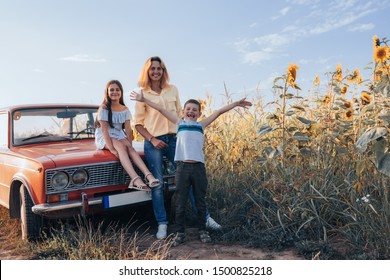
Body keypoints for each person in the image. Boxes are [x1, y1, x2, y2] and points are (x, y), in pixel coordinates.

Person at [131, 90, 252, 246]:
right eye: (188, 109)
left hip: (198, 168)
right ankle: (180, 233)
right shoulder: (179, 123)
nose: (191, 112)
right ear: (182, 112)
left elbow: (219, 111)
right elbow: (161, 109)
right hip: (182, 168)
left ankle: (203, 230)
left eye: (195, 110)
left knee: (200, 201)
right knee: (180, 201)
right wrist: (143, 99)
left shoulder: (201, 125)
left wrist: (235, 104)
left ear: (199, 114)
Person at [133, 56, 221, 240]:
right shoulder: (142, 94)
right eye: (153, 68)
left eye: (160, 68)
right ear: (147, 71)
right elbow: (139, 125)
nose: (156, 71)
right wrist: (152, 139)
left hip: (175, 140)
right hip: (154, 142)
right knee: (157, 183)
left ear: (163, 71)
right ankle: (163, 224)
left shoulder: (172, 90)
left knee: (187, 180)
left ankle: (205, 218)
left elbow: (182, 116)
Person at [95, 80, 159, 191]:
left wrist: (130, 145)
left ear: (121, 92)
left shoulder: (125, 109)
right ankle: (135, 179)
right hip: (104, 137)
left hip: (118, 134)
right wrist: (112, 149)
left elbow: (128, 130)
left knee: (129, 148)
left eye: (117, 90)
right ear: (107, 92)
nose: (115, 92)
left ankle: (149, 176)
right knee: (120, 147)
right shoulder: (104, 108)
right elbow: (105, 130)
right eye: (112, 90)